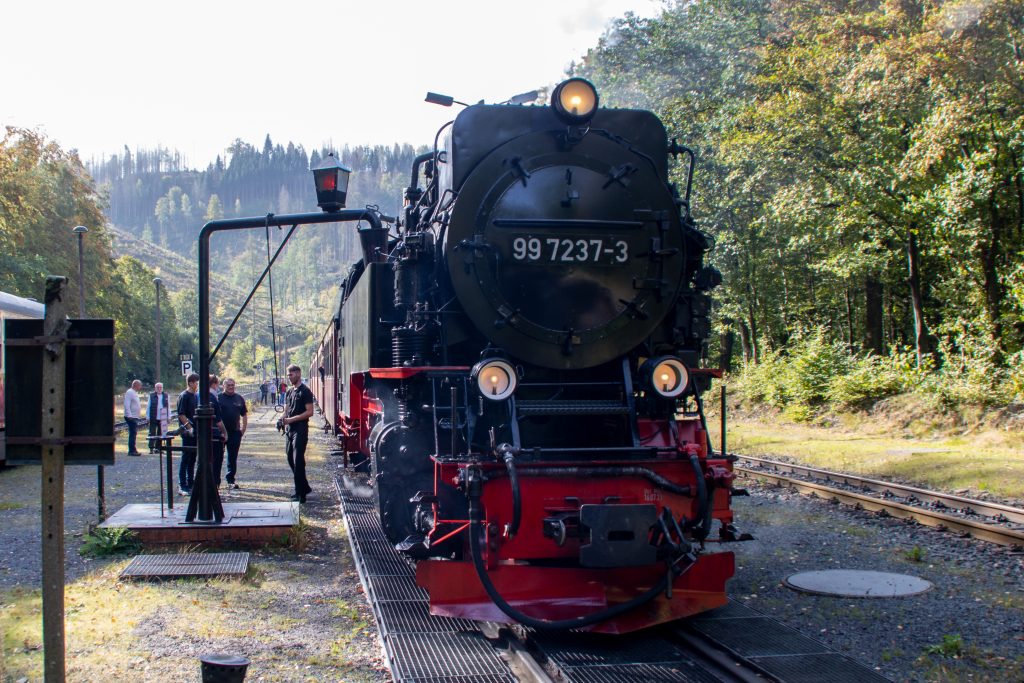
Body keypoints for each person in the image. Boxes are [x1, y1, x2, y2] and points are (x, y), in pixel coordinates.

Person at [281, 364, 314, 503]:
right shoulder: (289, 392)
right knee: (290, 457)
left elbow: (309, 412)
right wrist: (281, 419)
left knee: (298, 460)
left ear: (298, 374)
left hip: (300, 428)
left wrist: (291, 419)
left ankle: (300, 493)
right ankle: (304, 486)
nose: (289, 377)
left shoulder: (305, 391)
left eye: (291, 374)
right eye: (288, 375)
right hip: (290, 429)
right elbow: (286, 409)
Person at [217, 378, 248, 489]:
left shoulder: (239, 398)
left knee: (232, 457)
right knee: (218, 457)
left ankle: (230, 480)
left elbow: (244, 414)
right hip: (220, 433)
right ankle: (216, 481)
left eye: (233, 385)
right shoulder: (218, 398)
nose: (231, 387)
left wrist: (243, 430)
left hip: (235, 433)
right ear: (223, 386)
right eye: (229, 385)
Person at [176, 373, 200, 495]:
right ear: (190, 382)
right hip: (187, 433)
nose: (197, 384)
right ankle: (182, 484)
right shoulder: (184, 396)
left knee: (192, 458)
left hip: (195, 432)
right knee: (185, 458)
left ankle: (191, 482)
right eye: (196, 382)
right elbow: (181, 414)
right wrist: (189, 428)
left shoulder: (195, 396)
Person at [207, 375, 229, 489]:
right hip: (214, 435)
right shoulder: (212, 397)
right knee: (216, 460)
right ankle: (214, 485)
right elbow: (218, 420)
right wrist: (225, 433)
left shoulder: (199, 395)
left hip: (204, 435)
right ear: (214, 384)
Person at [147, 382, 170, 453]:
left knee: (161, 433)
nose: (159, 389)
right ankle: (151, 448)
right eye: (158, 387)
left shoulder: (166, 395)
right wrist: (147, 416)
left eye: (161, 387)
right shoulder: (151, 396)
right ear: (155, 388)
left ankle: (159, 448)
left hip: (162, 417)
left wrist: (169, 416)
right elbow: (148, 406)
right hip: (153, 416)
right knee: (152, 433)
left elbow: (168, 407)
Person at [124, 379, 142, 456]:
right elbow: (126, 404)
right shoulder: (129, 392)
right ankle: (131, 450)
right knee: (132, 433)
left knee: (134, 433)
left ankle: (133, 449)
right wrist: (129, 415)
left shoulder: (134, 393)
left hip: (135, 416)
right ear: (136, 385)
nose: (140, 387)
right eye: (139, 385)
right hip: (131, 417)